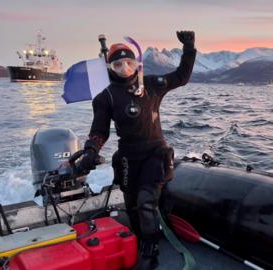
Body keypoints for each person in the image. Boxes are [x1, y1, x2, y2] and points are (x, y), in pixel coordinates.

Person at [76, 31, 196, 269]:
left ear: (137, 63)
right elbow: (99, 130)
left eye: (129, 63)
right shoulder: (106, 97)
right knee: (131, 205)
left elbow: (181, 77)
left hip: (155, 152)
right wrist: (91, 151)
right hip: (128, 156)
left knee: (145, 201)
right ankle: (140, 239)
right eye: (118, 64)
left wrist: (189, 49)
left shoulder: (151, 84)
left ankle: (151, 246)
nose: (124, 68)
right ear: (110, 67)